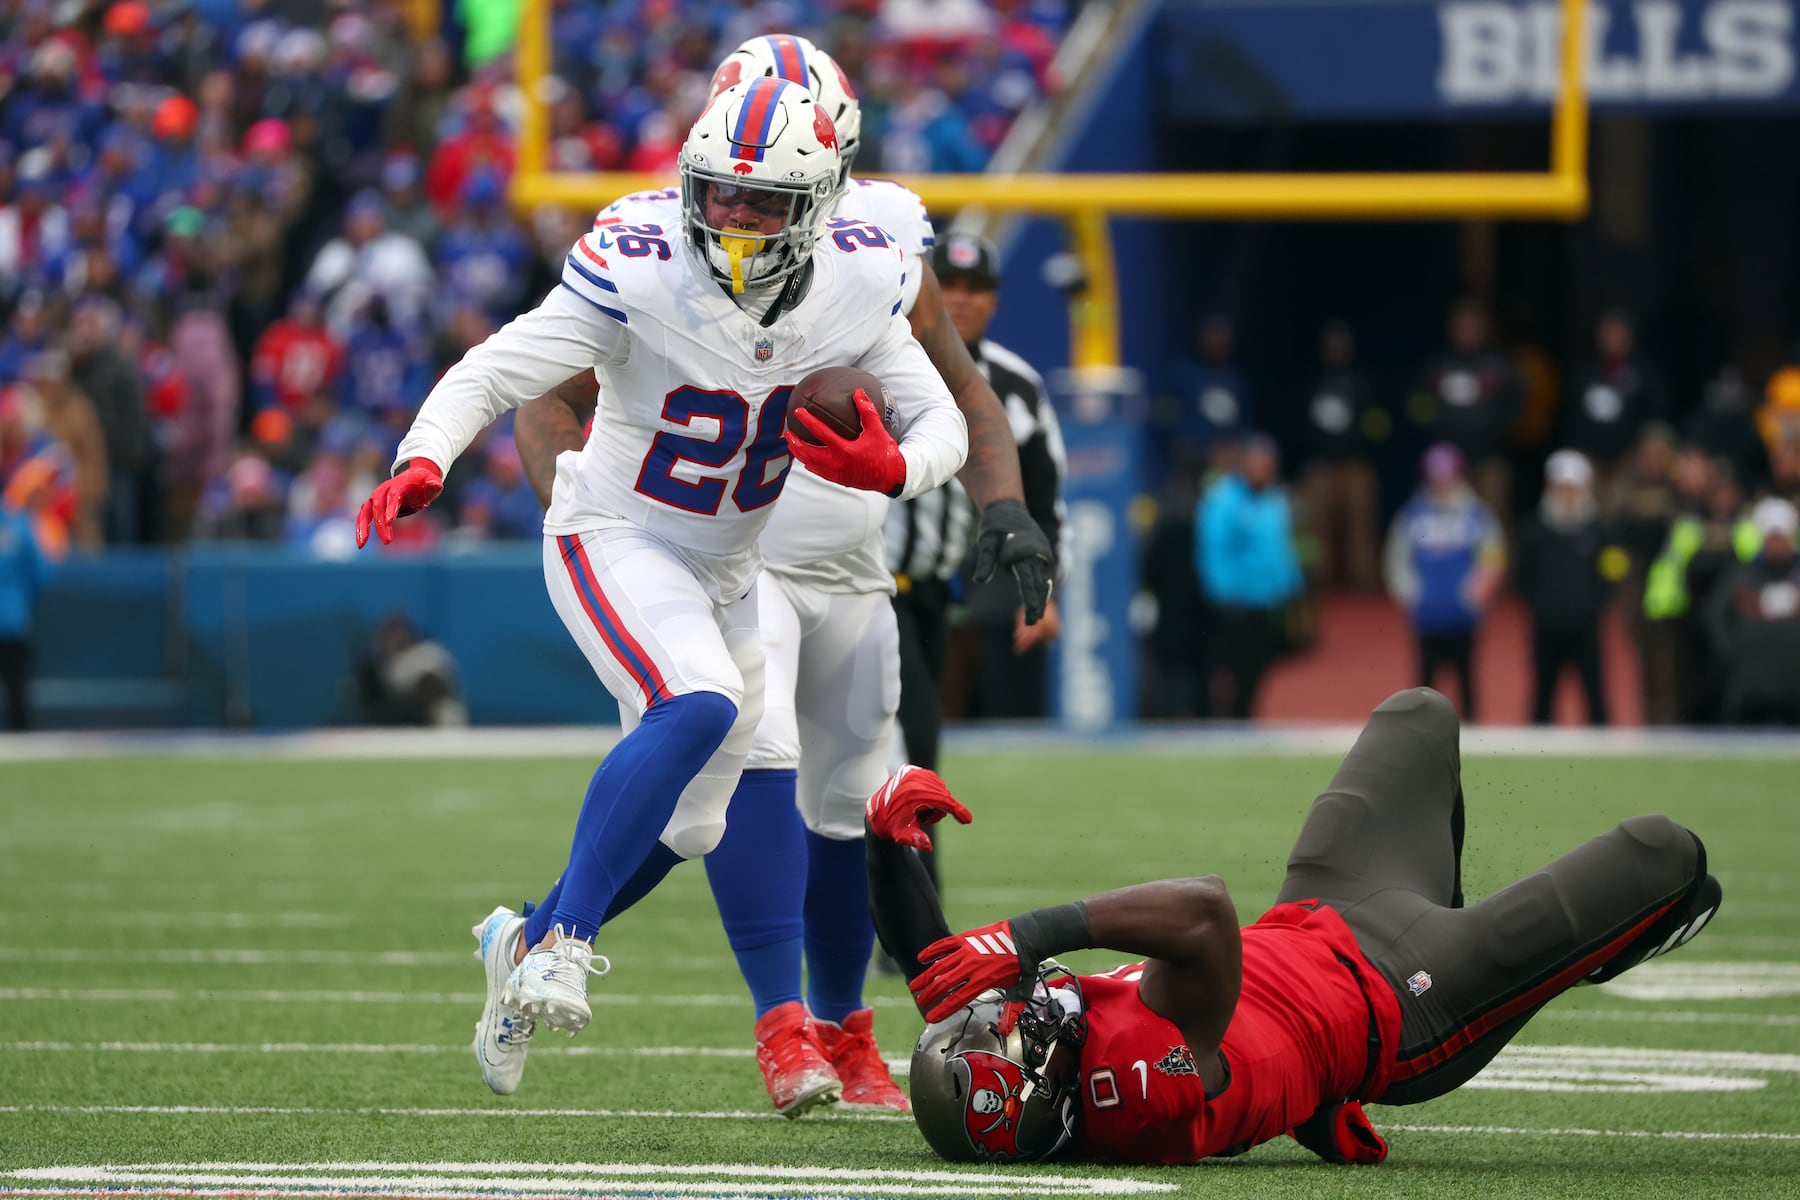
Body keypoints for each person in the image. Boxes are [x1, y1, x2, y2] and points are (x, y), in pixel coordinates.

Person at [356, 80, 968, 1101]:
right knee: (702, 701)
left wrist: (891, 470)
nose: (729, 217)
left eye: (758, 201)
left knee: (696, 825)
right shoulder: (640, 269)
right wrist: (425, 456)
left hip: (728, 566)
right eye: (717, 193)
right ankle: (564, 942)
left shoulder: (861, 279)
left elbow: (940, 420)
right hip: (615, 534)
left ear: (816, 207)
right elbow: (494, 370)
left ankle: (527, 935)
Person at [503, 35, 1056, 1114]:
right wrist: (602, 538)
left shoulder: (876, 258)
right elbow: (540, 397)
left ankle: (846, 1031)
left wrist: (1006, 504)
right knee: (752, 768)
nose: (751, 208)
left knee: (851, 804)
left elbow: (967, 395)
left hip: (855, 566)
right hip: (733, 562)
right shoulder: (665, 256)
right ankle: (777, 1025)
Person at [866, 687, 1722, 1165]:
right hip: (1404, 1003)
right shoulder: (1130, 1089)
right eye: (1012, 1023)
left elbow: (934, 972)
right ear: (1048, 1078)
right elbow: (1204, 913)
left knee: (1417, 715)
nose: (1016, 1001)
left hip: (1324, 908)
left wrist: (884, 837)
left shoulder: (1048, 1077)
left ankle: (1465, 909)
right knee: (1666, 854)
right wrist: (1029, 932)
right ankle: (1596, 949)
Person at [921, 232, 1066, 720]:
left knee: (1012, 721)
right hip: (901, 576)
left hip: (996, 585)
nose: (961, 298)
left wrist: (1046, 591)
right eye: (949, 283)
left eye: (976, 286)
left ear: (995, 300)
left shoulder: (1018, 384)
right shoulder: (882, 365)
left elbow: (1047, 496)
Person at [1384, 443, 1505, 720]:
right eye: (1436, 479)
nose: (1442, 485)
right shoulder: (1413, 515)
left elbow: (1493, 556)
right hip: (1427, 615)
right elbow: (1397, 556)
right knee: (1424, 683)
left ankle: (1472, 736)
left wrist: (1476, 593)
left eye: (1448, 478)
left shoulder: (1476, 515)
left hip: (1464, 615)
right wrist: (1409, 593)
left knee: (1466, 678)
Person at [1196, 433, 1301, 719]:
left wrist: (1291, 585)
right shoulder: (1224, 499)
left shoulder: (1275, 499)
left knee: (1259, 666)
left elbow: (1282, 547)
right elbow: (1214, 549)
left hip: (1267, 602)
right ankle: (1228, 720)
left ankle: (1246, 716)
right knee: (1231, 670)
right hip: (1235, 603)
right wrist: (1223, 593)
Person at [1517, 450, 1613, 725]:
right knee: (1543, 697)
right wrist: (1541, 607)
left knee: (1595, 696)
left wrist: (1591, 607)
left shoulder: (1599, 531)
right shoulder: (1534, 529)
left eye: (1573, 488)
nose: (1567, 495)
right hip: (1546, 628)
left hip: (1585, 628)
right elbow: (1524, 576)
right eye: (1561, 488)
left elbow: (1609, 575)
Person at [1412, 299, 1522, 531]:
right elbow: (1418, 405)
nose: (1468, 330)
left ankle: (1499, 569)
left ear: (1484, 328)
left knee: (1494, 525)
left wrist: (1491, 429)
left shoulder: (1500, 364)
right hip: (1446, 465)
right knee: (1443, 526)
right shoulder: (1437, 365)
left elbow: (1516, 405)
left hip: (1488, 458)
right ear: (1452, 328)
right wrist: (1439, 426)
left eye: (1473, 325)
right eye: (1462, 324)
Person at [1297, 320, 1383, 593]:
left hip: (1354, 463)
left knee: (1360, 525)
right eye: (1331, 347)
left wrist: (1362, 446)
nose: (1336, 352)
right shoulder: (1311, 382)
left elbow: (1377, 423)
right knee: (1317, 525)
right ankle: (1318, 582)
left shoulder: (1362, 384)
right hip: (1321, 464)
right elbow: (1299, 424)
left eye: (1341, 346)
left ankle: (1364, 582)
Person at [1704, 497, 1800, 725]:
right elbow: (1715, 616)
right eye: (1771, 537)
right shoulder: (1741, 576)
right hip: (1749, 685)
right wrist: (1735, 652)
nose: (1777, 543)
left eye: (1782, 537)